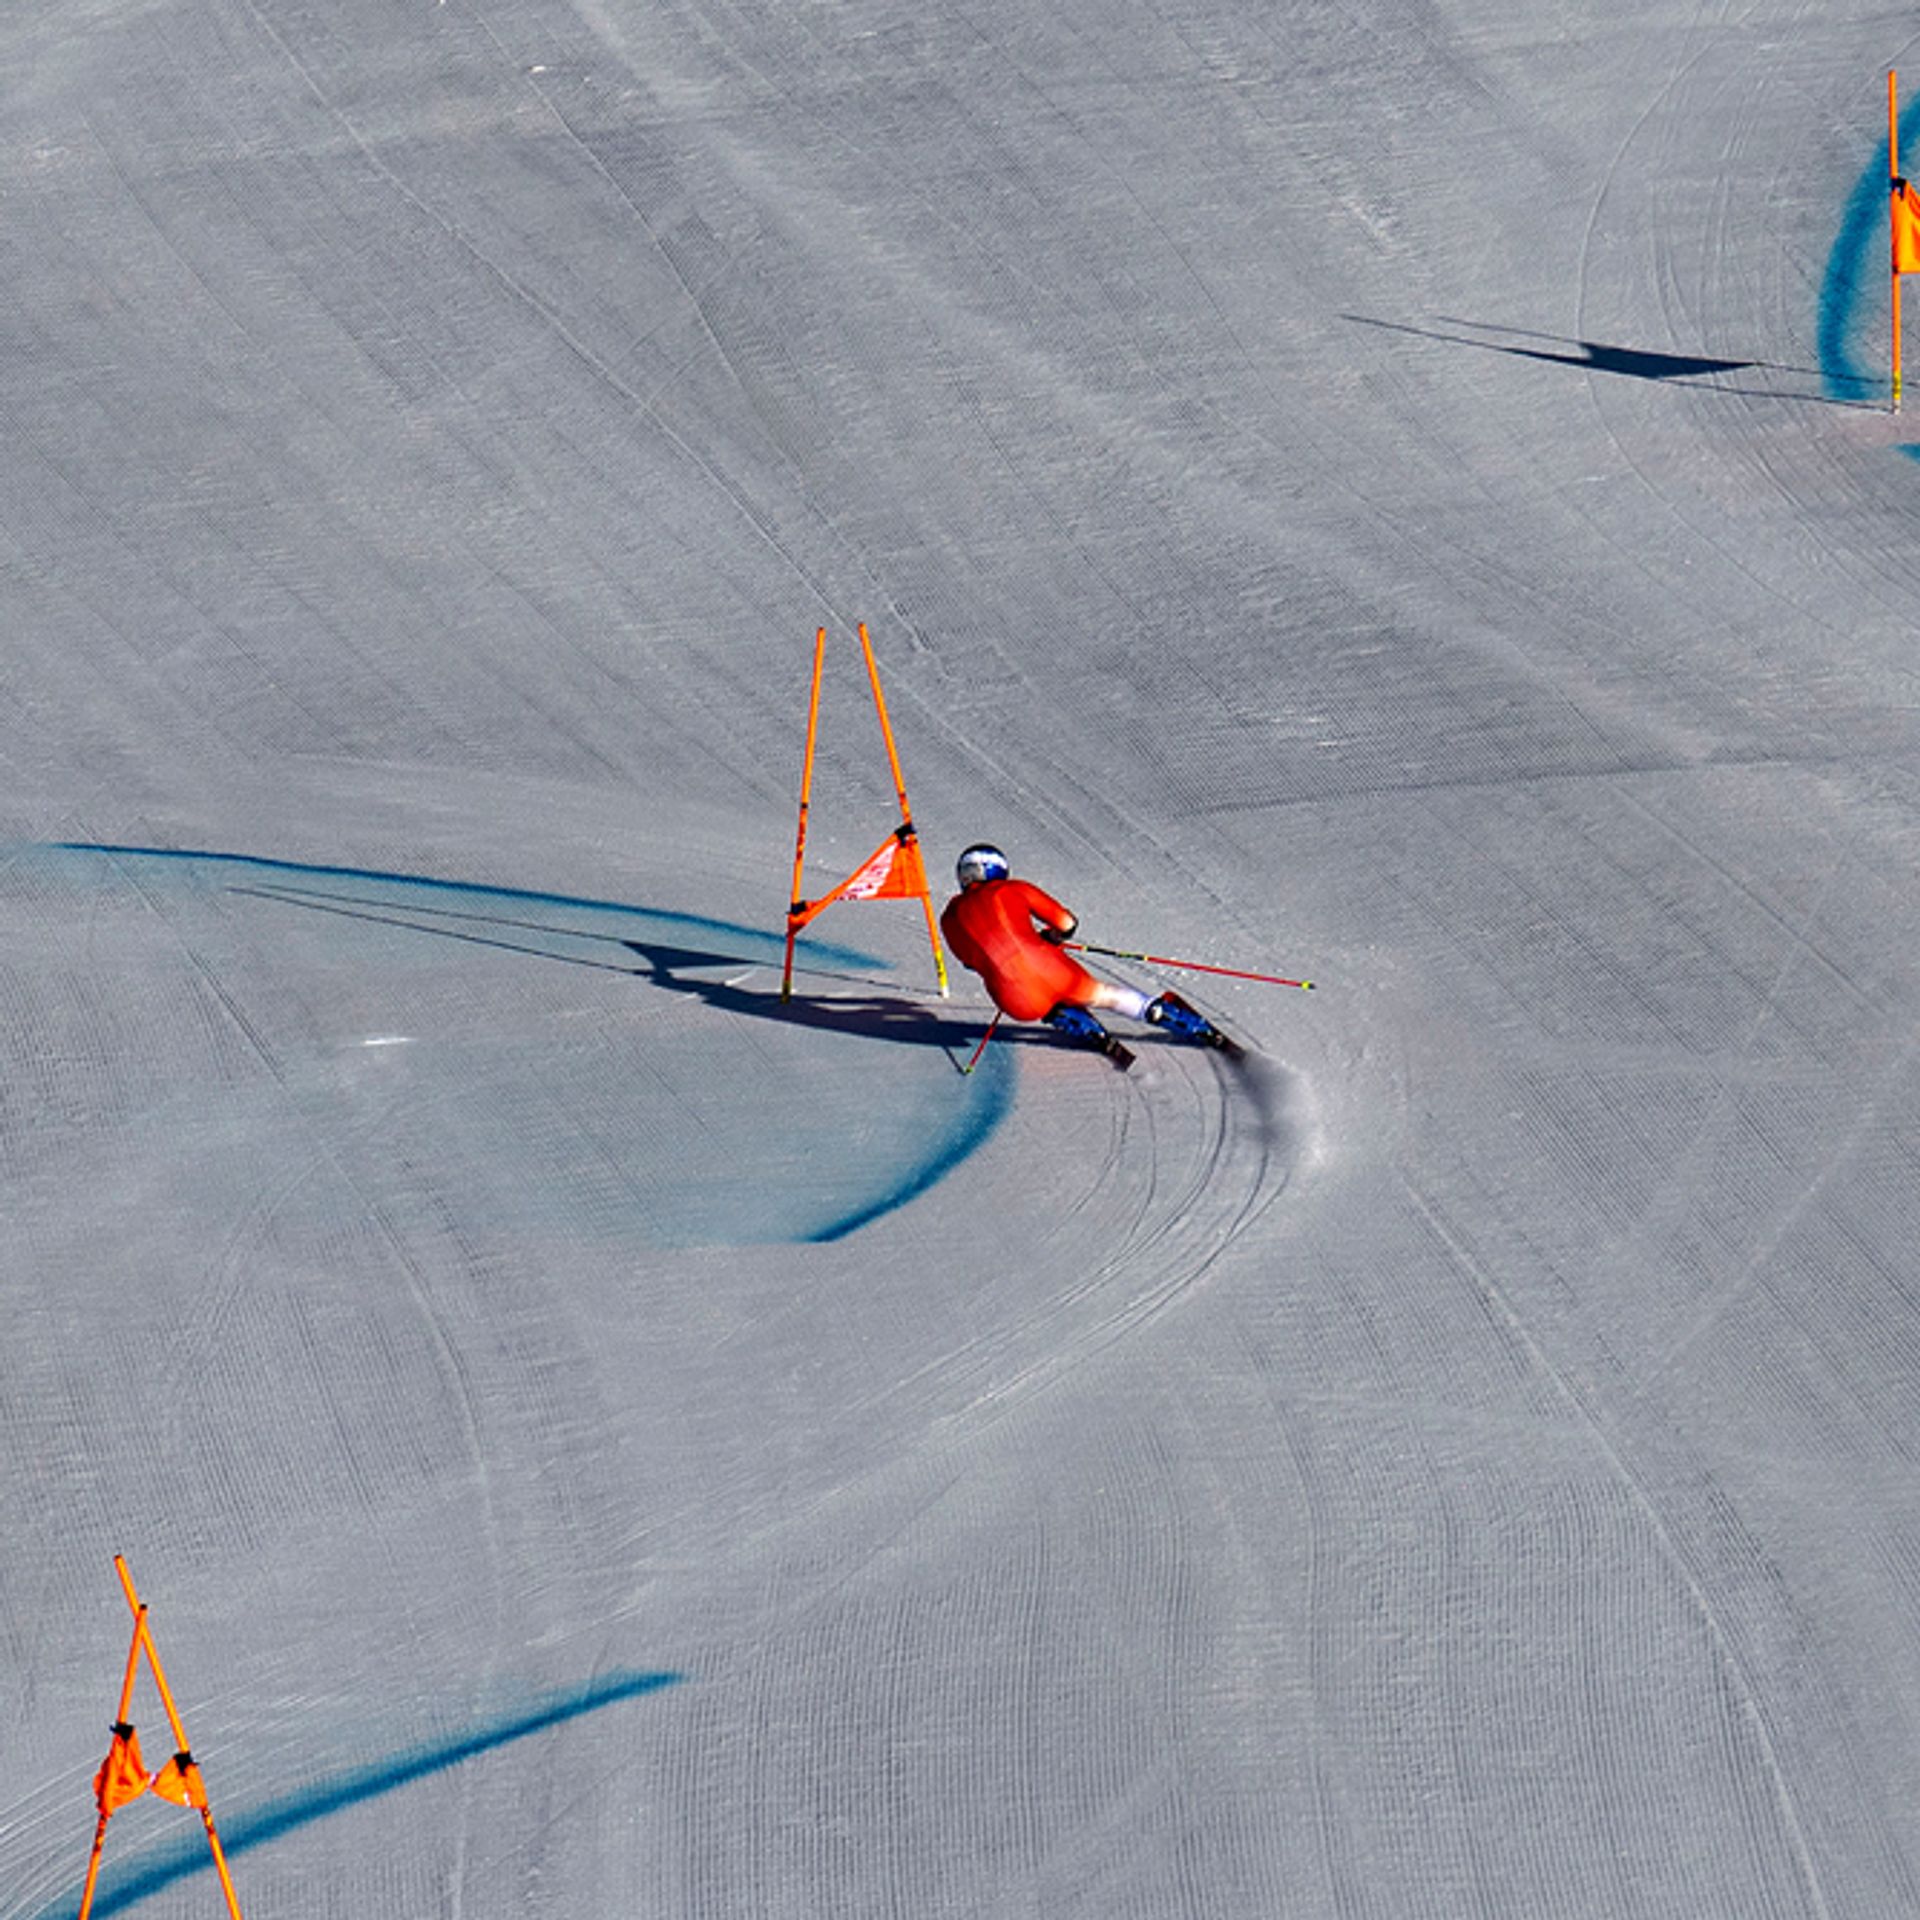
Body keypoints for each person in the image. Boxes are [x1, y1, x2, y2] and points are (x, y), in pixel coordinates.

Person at [939, 844, 1218, 1045]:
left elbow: (970, 962)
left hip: (1014, 1000)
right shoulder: (1010, 889)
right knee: (1104, 995)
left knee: (1041, 1002)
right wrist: (1049, 939)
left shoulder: (948, 918)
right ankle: (1165, 1015)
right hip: (1055, 971)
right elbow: (1066, 923)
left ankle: (1067, 1019)